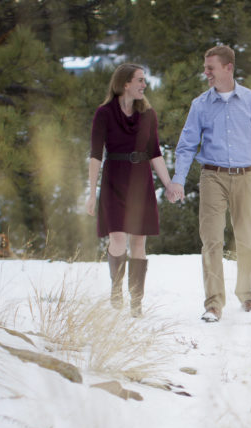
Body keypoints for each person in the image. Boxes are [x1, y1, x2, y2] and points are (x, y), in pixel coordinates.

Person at [169, 45, 251, 322]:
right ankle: (214, 304)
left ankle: (247, 296)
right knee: (212, 241)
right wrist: (178, 180)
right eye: (206, 68)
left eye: (211, 68)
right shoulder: (200, 105)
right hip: (212, 176)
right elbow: (186, 146)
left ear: (228, 68)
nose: (206, 73)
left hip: (245, 177)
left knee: (247, 240)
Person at [86, 63, 179, 317]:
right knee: (117, 237)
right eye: (139, 80)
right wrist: (90, 192)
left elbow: (155, 153)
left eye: (144, 81)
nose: (144, 85)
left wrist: (169, 184)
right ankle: (116, 289)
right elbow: (95, 156)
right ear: (124, 83)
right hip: (114, 177)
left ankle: (136, 302)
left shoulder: (148, 114)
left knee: (139, 241)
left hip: (141, 180)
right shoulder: (104, 113)